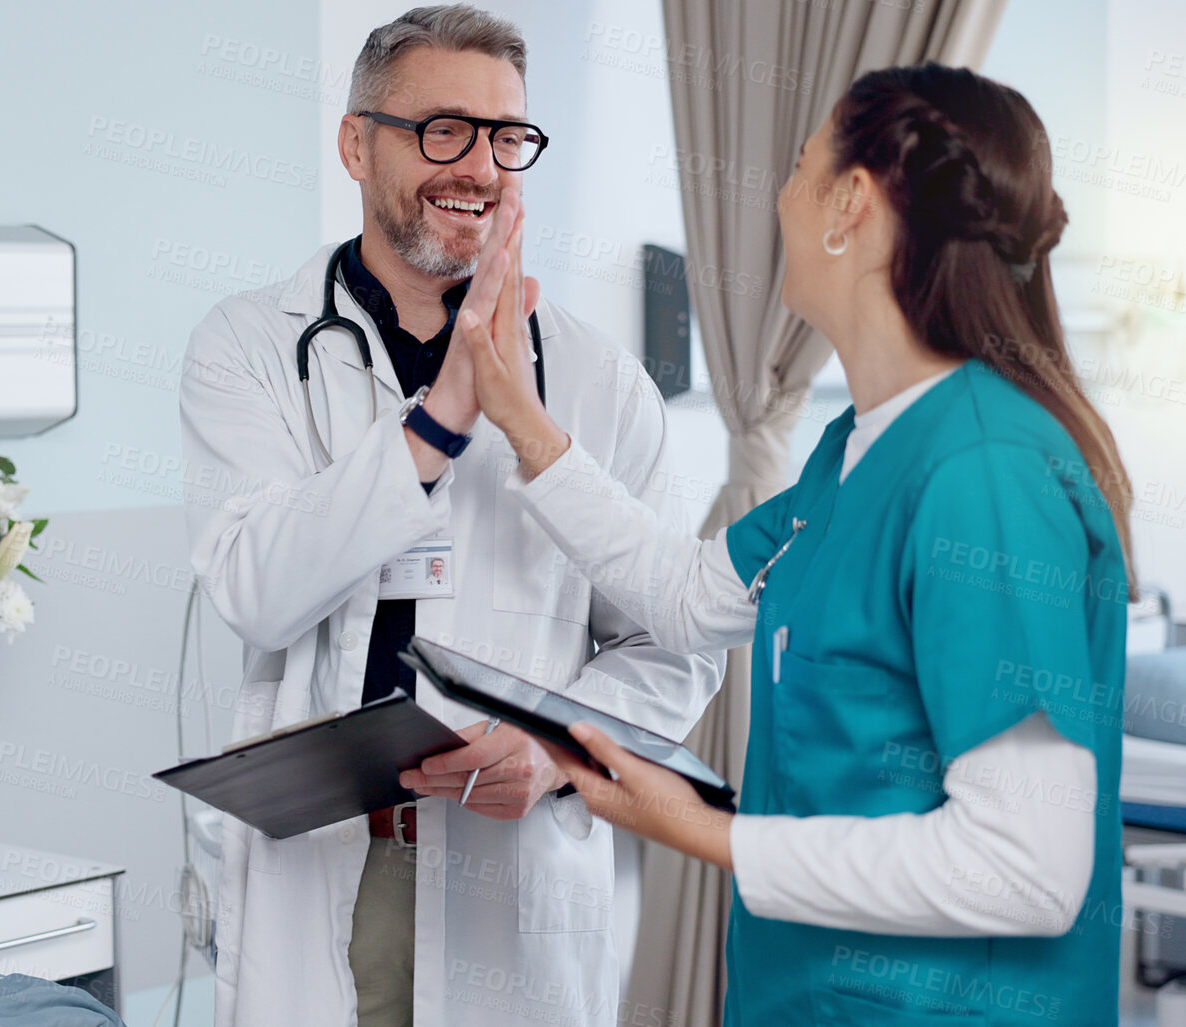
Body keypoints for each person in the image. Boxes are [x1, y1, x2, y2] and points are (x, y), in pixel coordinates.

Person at [460, 64, 1129, 1024]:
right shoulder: (851, 453)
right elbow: (689, 597)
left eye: (799, 165)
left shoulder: (984, 475)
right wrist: (519, 419)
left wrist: (704, 829)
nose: (778, 196)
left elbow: (1027, 870)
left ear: (849, 204)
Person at [178, 7, 723, 1025]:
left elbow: (677, 641)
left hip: (505, 868)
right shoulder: (250, 345)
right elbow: (256, 591)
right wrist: (445, 416)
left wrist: (561, 749)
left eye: (504, 136)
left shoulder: (601, 381)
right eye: (442, 129)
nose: (477, 165)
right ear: (356, 141)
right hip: (330, 862)